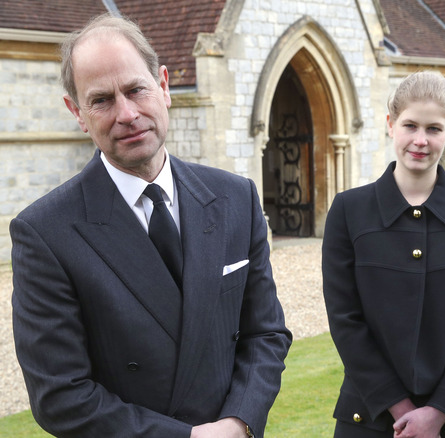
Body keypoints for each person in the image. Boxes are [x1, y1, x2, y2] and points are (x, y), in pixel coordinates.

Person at [11, 14, 291, 437]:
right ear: (77, 113)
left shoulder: (237, 198)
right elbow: (60, 396)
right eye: (102, 100)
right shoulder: (45, 233)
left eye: (136, 89)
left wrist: (239, 422)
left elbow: (265, 334)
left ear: (163, 86)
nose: (126, 113)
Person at [322, 71, 445, 438]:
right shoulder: (348, 210)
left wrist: (437, 412)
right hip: (370, 420)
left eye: (434, 129)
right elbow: (346, 320)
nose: (420, 141)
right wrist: (402, 409)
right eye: (410, 126)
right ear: (391, 125)